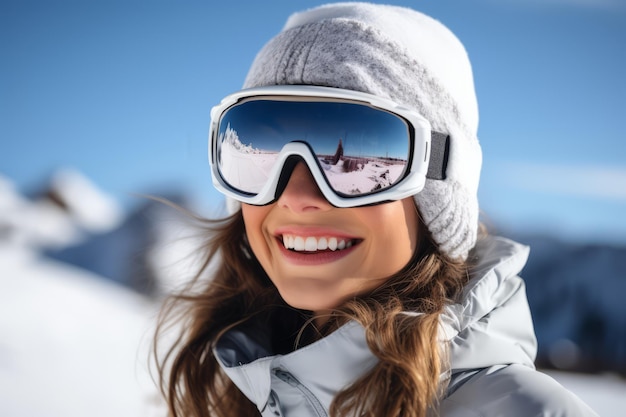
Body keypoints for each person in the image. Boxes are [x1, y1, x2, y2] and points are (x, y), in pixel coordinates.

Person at [154, 3, 598, 416]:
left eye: (356, 163)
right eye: (263, 152)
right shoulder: (241, 394)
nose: (296, 195)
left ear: (438, 186)